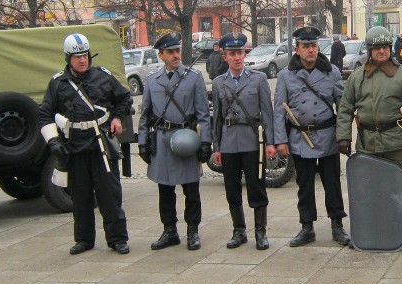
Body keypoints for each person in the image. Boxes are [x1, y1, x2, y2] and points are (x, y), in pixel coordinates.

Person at [39, 33, 133, 255]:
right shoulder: (58, 84)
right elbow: (44, 115)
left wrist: (118, 118)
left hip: (101, 145)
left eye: (85, 55)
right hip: (75, 146)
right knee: (80, 196)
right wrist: (53, 142)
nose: (82, 60)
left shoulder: (103, 77)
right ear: (68, 58)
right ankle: (83, 239)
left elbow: (124, 98)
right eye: (77, 56)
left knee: (110, 195)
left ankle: (117, 239)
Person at [337, 26, 402, 248]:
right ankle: (370, 229)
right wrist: (344, 137)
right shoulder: (357, 78)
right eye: (377, 48)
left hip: (396, 140)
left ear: (390, 48)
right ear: (370, 50)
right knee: (368, 187)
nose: (381, 52)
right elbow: (345, 108)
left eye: (385, 47)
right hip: (367, 141)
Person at [274, 26, 350, 247]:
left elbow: (342, 107)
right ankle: (306, 227)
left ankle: (337, 225)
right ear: (297, 49)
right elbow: (280, 110)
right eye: (305, 46)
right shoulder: (286, 76)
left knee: (332, 184)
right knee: (304, 185)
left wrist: (344, 136)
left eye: (314, 46)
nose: (310, 50)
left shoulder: (332, 72)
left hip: (327, 136)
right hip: (300, 138)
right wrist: (280, 140)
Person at [138, 33, 212, 251]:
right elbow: (145, 114)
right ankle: (169, 230)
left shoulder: (194, 77)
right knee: (165, 189)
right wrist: (143, 141)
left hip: (186, 139)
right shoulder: (152, 80)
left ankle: (193, 231)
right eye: (170, 52)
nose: (176, 55)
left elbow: (203, 113)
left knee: (191, 189)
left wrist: (205, 141)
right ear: (161, 55)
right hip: (162, 140)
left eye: (177, 51)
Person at [211, 32, 277, 250]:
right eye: (232, 54)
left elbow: (267, 113)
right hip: (229, 142)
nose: (237, 57)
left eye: (240, 53)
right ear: (225, 57)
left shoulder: (258, 79)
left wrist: (270, 143)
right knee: (232, 189)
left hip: (252, 142)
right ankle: (239, 231)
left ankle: (260, 232)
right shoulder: (219, 83)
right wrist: (217, 147)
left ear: (244, 54)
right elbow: (217, 119)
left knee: (257, 187)